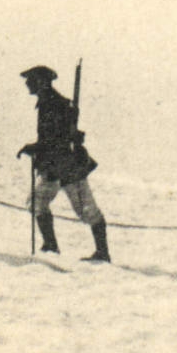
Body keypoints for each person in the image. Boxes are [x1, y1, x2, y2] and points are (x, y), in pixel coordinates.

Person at [16, 65, 109, 263]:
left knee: (87, 211)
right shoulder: (49, 103)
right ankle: (50, 246)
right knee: (37, 202)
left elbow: (56, 140)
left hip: (67, 166)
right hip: (54, 165)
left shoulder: (55, 105)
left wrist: (35, 148)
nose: (27, 84)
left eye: (30, 80)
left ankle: (102, 253)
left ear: (41, 82)